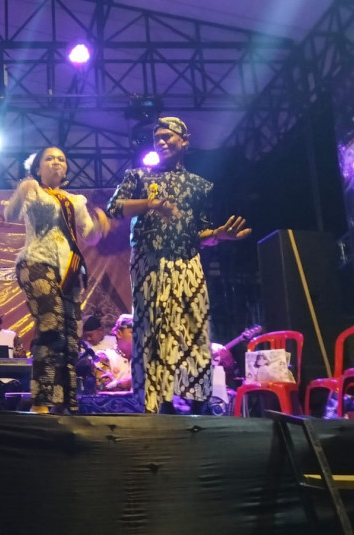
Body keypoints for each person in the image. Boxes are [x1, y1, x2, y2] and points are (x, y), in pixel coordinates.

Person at [105, 116, 251, 414]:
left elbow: (200, 233)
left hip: (187, 261)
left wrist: (218, 235)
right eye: (156, 137)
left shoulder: (200, 186)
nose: (160, 141)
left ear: (184, 141)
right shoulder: (138, 176)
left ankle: (197, 401)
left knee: (193, 328)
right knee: (155, 330)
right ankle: (160, 402)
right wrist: (149, 203)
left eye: (167, 136)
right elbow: (114, 208)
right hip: (149, 263)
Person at [4, 146, 107, 414]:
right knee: (50, 326)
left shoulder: (75, 201)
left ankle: (64, 401)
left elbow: (90, 236)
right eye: (49, 159)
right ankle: (41, 400)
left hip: (69, 269)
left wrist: (100, 225)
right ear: (38, 168)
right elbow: (10, 215)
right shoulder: (33, 189)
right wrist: (22, 190)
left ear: (66, 168)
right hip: (36, 262)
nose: (56, 162)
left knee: (70, 336)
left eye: (61, 159)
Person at [94, 314, 134, 392]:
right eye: (133, 333)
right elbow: (101, 385)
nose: (137, 337)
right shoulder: (103, 357)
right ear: (119, 334)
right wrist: (121, 383)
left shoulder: (143, 359)